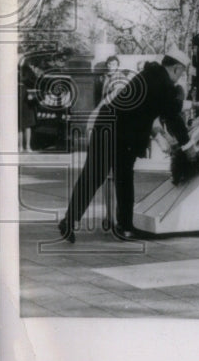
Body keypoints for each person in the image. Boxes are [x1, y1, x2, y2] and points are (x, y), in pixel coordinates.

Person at [57, 49, 191, 242]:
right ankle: (125, 227)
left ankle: (69, 221)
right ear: (177, 68)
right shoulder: (164, 83)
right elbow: (173, 118)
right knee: (124, 179)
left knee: (92, 176)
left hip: (106, 125)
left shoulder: (148, 74)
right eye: (182, 73)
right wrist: (187, 145)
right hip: (122, 134)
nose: (180, 78)